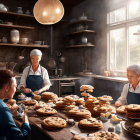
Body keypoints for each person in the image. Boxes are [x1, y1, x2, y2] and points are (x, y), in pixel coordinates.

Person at [0, 69, 31, 139]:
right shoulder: (3, 110)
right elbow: (20, 138)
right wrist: (26, 124)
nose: (15, 90)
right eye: (15, 86)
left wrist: (9, 115)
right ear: (7, 88)